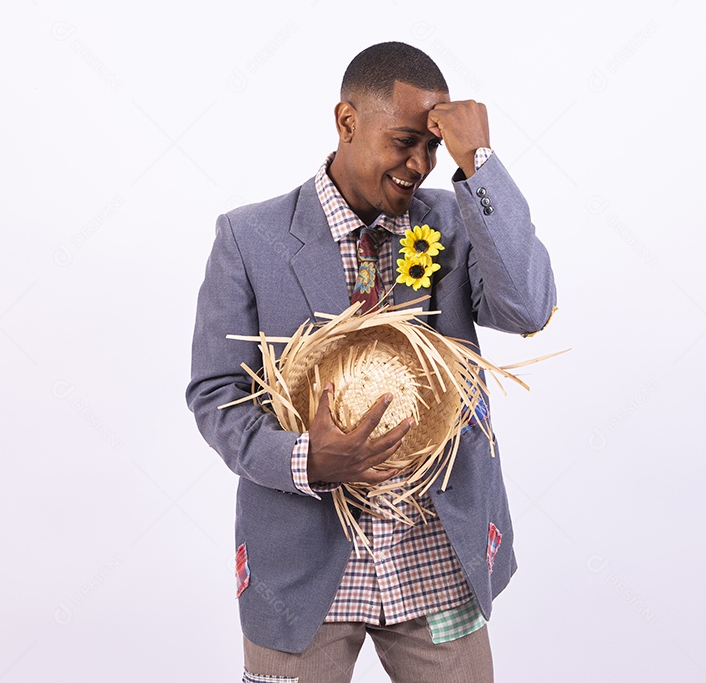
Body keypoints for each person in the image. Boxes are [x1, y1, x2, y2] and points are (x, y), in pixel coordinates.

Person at [186, 41, 556, 683]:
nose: (420, 165)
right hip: (301, 572)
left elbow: (528, 307)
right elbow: (215, 395)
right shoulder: (249, 239)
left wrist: (480, 164)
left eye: (434, 148)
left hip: (437, 559)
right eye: (405, 141)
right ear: (347, 121)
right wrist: (307, 460)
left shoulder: (455, 221)